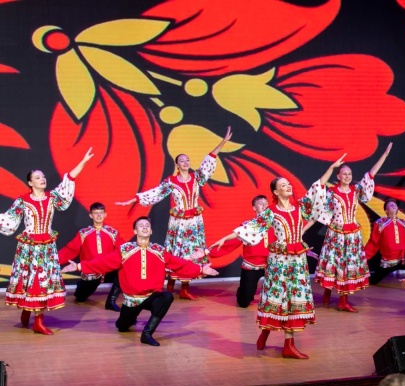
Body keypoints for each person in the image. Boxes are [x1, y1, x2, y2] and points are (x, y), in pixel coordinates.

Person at [209, 155, 344, 359]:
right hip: (279, 261)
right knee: (277, 298)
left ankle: (288, 345)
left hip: (297, 261)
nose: (288, 186)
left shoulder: (301, 207)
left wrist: (332, 168)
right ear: (275, 192)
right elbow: (249, 228)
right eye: (283, 185)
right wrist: (224, 238)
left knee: (294, 299)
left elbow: (317, 188)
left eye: (289, 184)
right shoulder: (270, 212)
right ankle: (266, 331)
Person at [62, 216, 219, 346]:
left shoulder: (159, 251)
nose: (144, 227)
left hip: (151, 296)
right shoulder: (125, 250)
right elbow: (104, 262)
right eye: (141, 225)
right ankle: (125, 320)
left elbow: (178, 264)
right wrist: (79, 266)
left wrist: (200, 269)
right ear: (135, 231)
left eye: (147, 226)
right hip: (132, 300)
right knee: (122, 327)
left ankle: (147, 333)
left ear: (151, 231)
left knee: (167, 297)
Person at [116, 126, 232, 300]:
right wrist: (134, 199)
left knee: (192, 252)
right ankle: (170, 283)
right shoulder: (171, 181)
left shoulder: (197, 177)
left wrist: (222, 142)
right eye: (182, 161)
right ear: (177, 165)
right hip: (179, 223)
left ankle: (184, 288)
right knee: (176, 250)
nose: (185, 163)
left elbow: (209, 161)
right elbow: (155, 193)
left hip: (194, 222)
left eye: (187, 160)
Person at [0, 148, 94, 335]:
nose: (42, 179)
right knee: (31, 281)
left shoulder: (52, 198)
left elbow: (68, 181)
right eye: (37, 177)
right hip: (29, 248)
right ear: (30, 182)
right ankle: (29, 311)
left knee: (42, 282)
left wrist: (83, 162)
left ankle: (37, 321)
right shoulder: (23, 201)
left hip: (46, 247)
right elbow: (8, 220)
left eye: (43, 176)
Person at [315, 143, 393, 313]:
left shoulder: (356, 191)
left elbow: (371, 174)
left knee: (347, 267)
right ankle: (328, 290)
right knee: (335, 264)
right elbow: (320, 209)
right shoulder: (331, 193)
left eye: (349, 174)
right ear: (338, 176)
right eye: (344, 174)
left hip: (352, 236)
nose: (347, 176)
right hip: (336, 235)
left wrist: (384, 156)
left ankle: (343, 301)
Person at [58, 202, 125, 311]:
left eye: (101, 213)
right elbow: (70, 250)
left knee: (122, 272)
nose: (98, 215)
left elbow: (124, 250)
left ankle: (111, 302)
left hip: (108, 270)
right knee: (80, 298)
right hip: (91, 271)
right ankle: (81, 287)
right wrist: (54, 261)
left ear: (105, 215)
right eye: (95, 213)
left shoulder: (113, 232)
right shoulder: (83, 233)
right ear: (90, 215)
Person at [208, 195, 273, 308]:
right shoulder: (247, 225)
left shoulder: (275, 224)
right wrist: (209, 252)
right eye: (260, 203)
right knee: (244, 302)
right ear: (254, 208)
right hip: (252, 264)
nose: (264, 205)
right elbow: (233, 242)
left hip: (271, 264)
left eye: (266, 203)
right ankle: (244, 291)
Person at [365, 198, 405, 291]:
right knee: (372, 280)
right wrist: (363, 258)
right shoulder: (380, 223)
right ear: (386, 211)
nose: (394, 205)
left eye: (395, 204)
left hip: (403, 259)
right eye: (390, 205)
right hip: (388, 263)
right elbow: (373, 243)